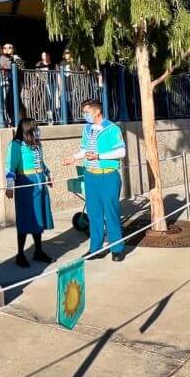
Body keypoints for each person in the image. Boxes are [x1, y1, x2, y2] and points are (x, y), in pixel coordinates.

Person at [70, 97, 127, 262]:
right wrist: (73, 157)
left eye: (87, 112)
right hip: (90, 176)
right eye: (84, 112)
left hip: (107, 175)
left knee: (111, 212)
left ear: (97, 111)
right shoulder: (86, 129)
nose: (85, 115)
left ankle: (117, 248)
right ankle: (96, 248)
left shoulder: (112, 129)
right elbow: (84, 150)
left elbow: (121, 152)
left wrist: (99, 156)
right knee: (94, 213)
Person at [6, 118, 55, 267]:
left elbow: (41, 162)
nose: (37, 130)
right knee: (25, 218)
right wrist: (9, 187)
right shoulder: (15, 145)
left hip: (40, 181)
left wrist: (48, 174)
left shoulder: (36, 144)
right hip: (26, 184)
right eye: (34, 128)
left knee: (38, 218)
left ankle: (38, 251)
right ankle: (20, 254)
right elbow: (10, 167)